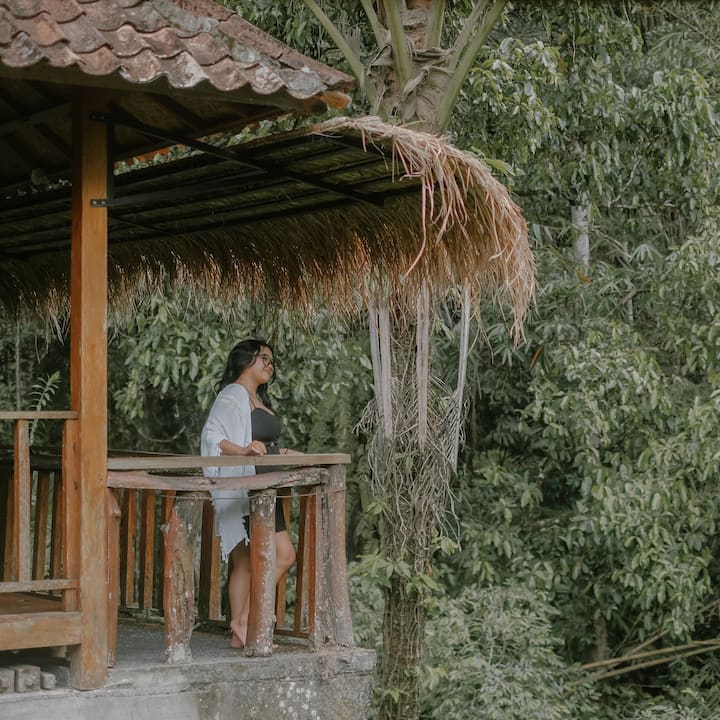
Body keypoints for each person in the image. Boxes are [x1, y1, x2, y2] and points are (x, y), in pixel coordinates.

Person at [201, 338, 296, 649]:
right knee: (281, 555)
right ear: (245, 360)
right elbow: (212, 436)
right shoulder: (232, 395)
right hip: (247, 487)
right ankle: (244, 620)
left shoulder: (256, 399)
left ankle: (239, 632)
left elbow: (263, 445)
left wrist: (289, 454)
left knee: (247, 561)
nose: (270, 365)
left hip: (265, 485)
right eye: (263, 358)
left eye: (272, 360)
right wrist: (242, 451)